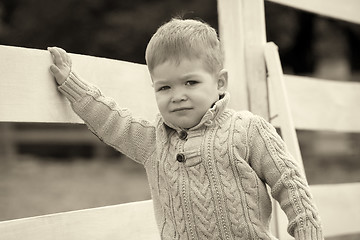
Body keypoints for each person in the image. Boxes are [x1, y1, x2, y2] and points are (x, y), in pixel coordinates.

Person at [48, 18, 323, 240]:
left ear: (220, 83)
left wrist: (307, 233)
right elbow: (112, 121)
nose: (177, 95)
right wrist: (72, 84)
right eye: (165, 87)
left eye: (190, 82)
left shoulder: (248, 130)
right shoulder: (153, 141)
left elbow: (290, 184)